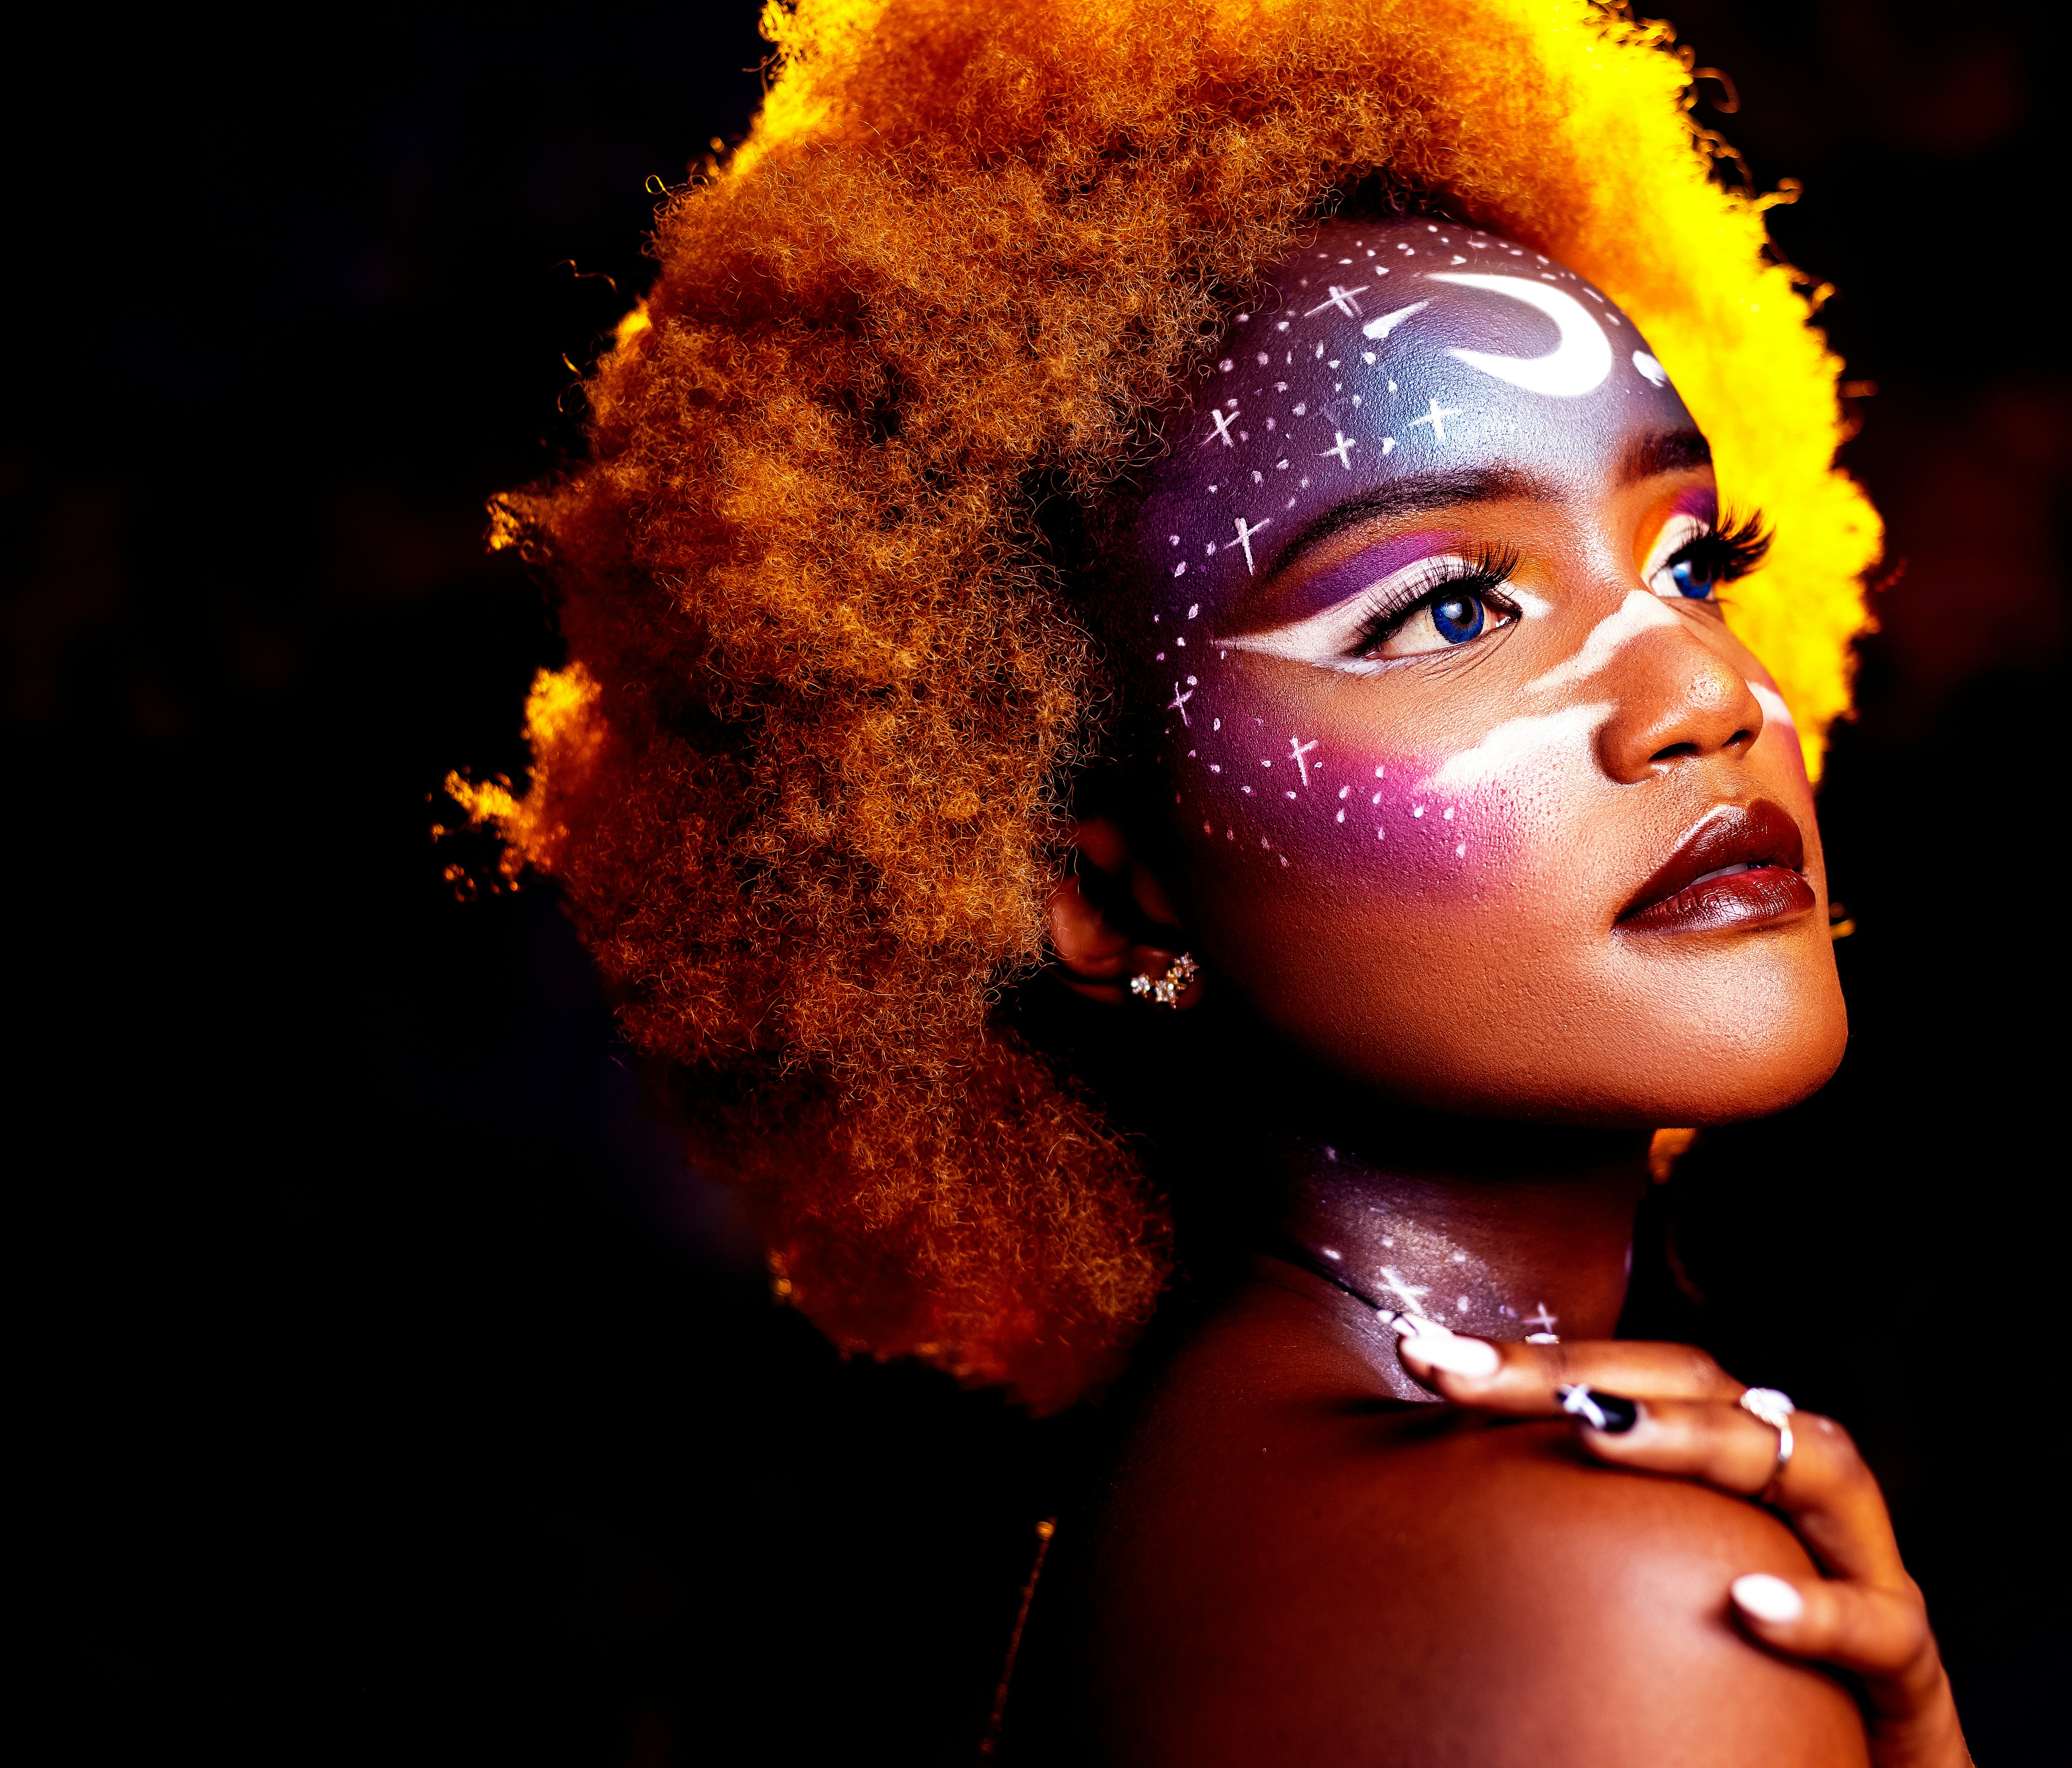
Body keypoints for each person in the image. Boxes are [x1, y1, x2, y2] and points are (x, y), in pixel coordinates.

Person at [460, 1, 1967, 1761]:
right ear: (1107, 888)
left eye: (1692, 557)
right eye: (1450, 609)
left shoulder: (1219, 1507)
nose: (1707, 692)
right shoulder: (1597, 1586)